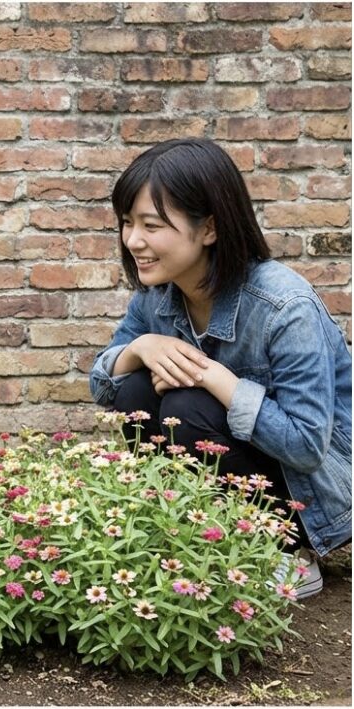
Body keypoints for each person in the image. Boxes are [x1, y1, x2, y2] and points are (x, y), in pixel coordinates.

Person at [89, 138, 352, 598]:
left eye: (151, 225)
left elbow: (307, 446)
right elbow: (103, 385)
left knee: (188, 404)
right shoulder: (157, 296)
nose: (133, 240)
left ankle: (284, 550)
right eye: (127, 222)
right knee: (134, 390)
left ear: (209, 228)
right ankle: (187, 535)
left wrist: (215, 377)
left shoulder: (284, 306)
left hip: (320, 489)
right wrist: (142, 347)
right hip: (259, 468)